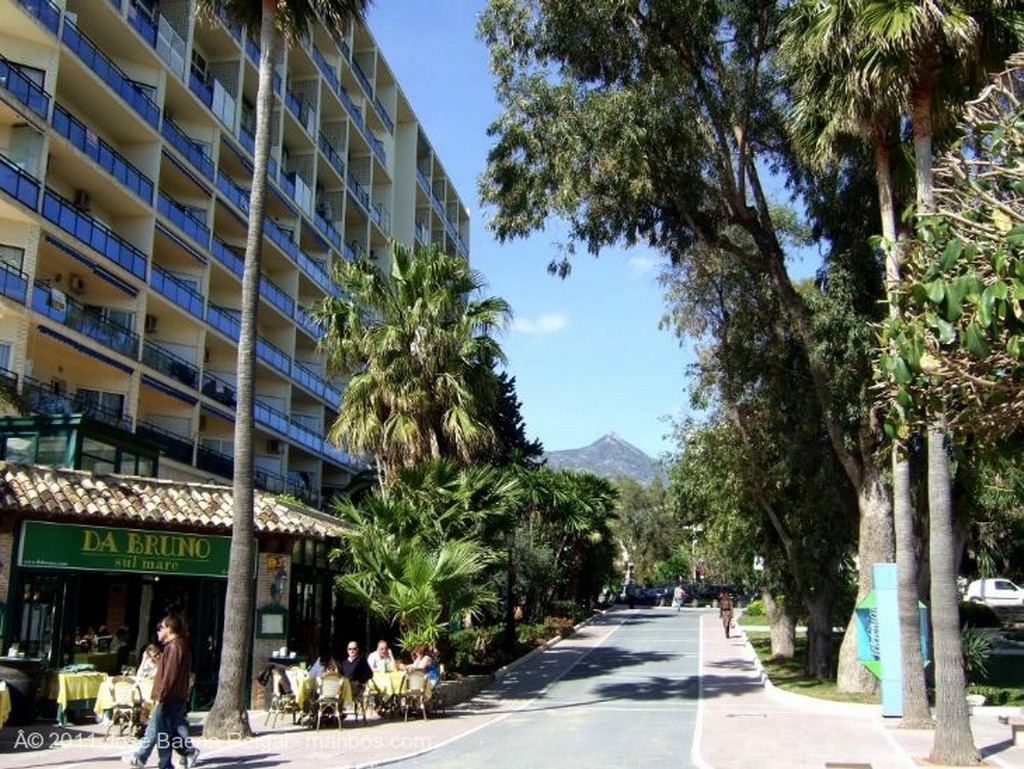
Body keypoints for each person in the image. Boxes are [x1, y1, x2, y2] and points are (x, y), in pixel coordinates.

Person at [122, 617, 198, 769]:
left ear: (169, 629)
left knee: (163, 732)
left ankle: (165, 762)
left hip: (170, 696)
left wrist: (162, 695)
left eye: (160, 628)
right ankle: (184, 753)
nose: (158, 631)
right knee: (166, 729)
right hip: (175, 696)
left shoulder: (174, 647)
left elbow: (170, 674)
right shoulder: (177, 646)